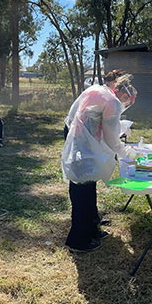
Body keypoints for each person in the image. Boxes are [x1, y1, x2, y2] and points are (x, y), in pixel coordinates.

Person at [60, 76, 139, 252]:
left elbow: (75, 118)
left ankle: (92, 229)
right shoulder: (114, 102)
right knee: (82, 195)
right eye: (128, 101)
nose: (126, 104)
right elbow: (111, 137)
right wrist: (125, 151)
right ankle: (78, 241)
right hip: (85, 149)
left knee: (87, 189)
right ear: (124, 95)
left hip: (79, 144)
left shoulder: (97, 90)